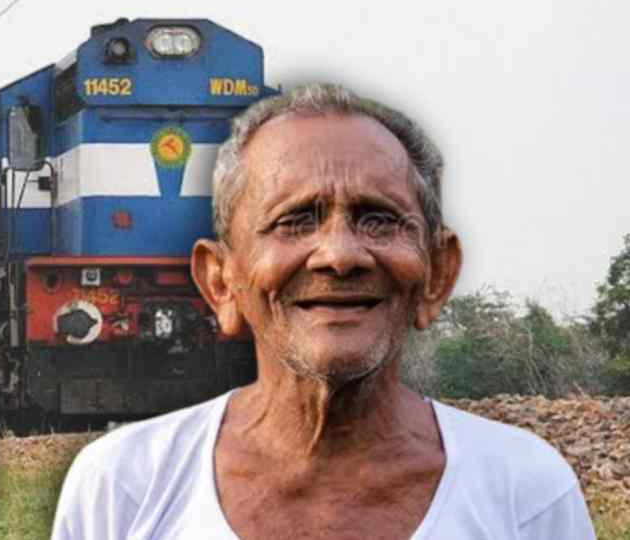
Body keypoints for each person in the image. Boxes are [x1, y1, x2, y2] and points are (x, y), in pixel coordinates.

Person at [51, 83, 595, 539]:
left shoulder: (528, 497)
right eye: (294, 221)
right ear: (221, 281)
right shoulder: (120, 490)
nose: (339, 255)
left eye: (379, 219)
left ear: (438, 273)